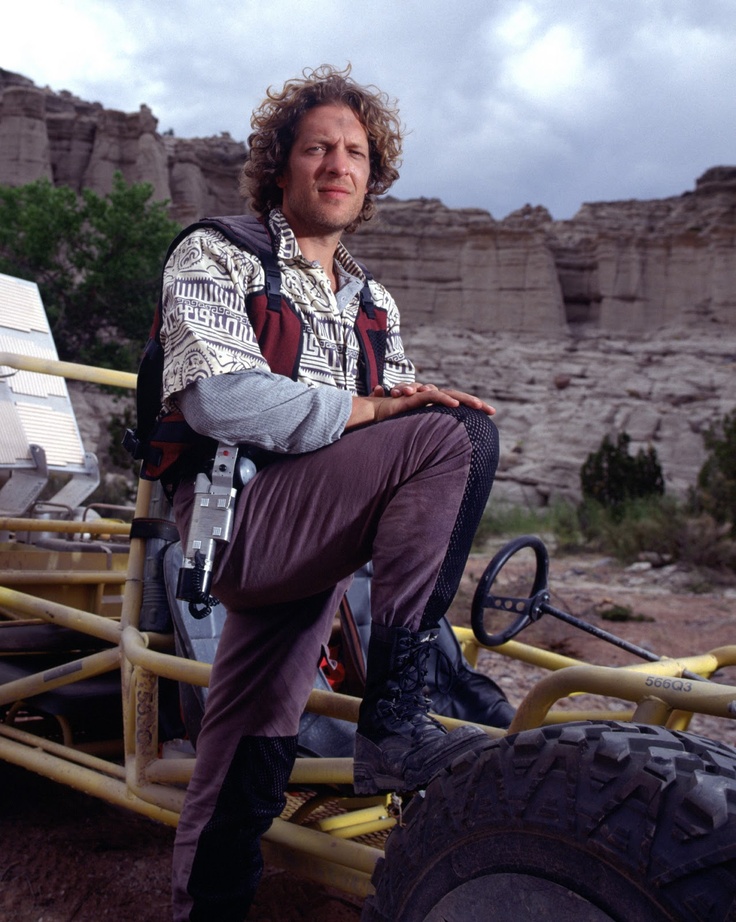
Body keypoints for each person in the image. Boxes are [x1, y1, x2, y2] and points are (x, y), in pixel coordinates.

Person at [163, 64, 502, 921]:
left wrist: (410, 401)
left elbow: (395, 414)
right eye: (316, 147)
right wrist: (384, 409)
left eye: (355, 151)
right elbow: (220, 397)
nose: (337, 164)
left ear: (372, 175)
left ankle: (205, 907)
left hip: (316, 534)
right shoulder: (218, 252)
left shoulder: (371, 300)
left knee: (245, 740)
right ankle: (392, 725)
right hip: (238, 518)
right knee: (457, 439)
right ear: (281, 165)